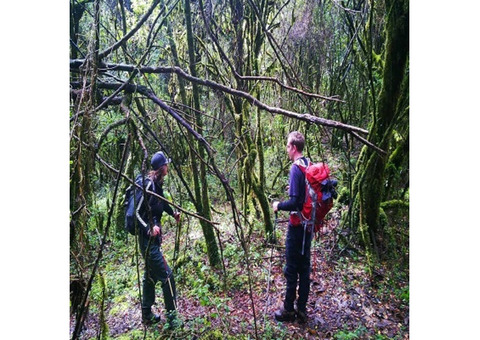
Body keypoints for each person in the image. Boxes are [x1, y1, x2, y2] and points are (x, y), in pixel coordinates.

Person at [135, 151, 181, 327]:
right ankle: (172, 319)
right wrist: (148, 228)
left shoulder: (157, 185)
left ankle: (146, 315)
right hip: (147, 242)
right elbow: (138, 213)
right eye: (166, 164)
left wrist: (172, 213)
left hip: (153, 241)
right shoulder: (148, 186)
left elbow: (161, 202)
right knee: (167, 277)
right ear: (162, 167)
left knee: (150, 277)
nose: (168, 167)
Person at [272, 131, 311, 324]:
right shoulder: (308, 164)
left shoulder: (296, 168)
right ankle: (302, 309)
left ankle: (288, 309)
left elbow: (295, 203)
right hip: (308, 226)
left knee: (291, 268)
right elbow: (304, 195)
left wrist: (279, 205)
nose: (287, 149)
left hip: (297, 227)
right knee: (304, 268)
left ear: (293, 147)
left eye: (288, 146)